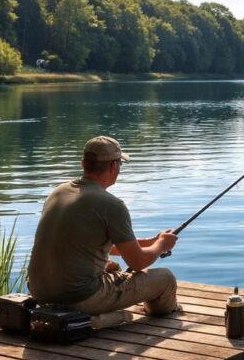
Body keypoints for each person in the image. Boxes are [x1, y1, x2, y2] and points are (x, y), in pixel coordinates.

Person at [27, 135, 181, 317]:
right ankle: (110, 318)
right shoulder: (111, 204)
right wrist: (162, 244)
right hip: (78, 298)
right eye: (120, 164)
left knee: (113, 266)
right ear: (113, 166)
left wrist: (150, 242)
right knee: (165, 279)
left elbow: (87, 243)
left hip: (40, 293)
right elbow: (138, 263)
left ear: (83, 163)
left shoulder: (58, 192)